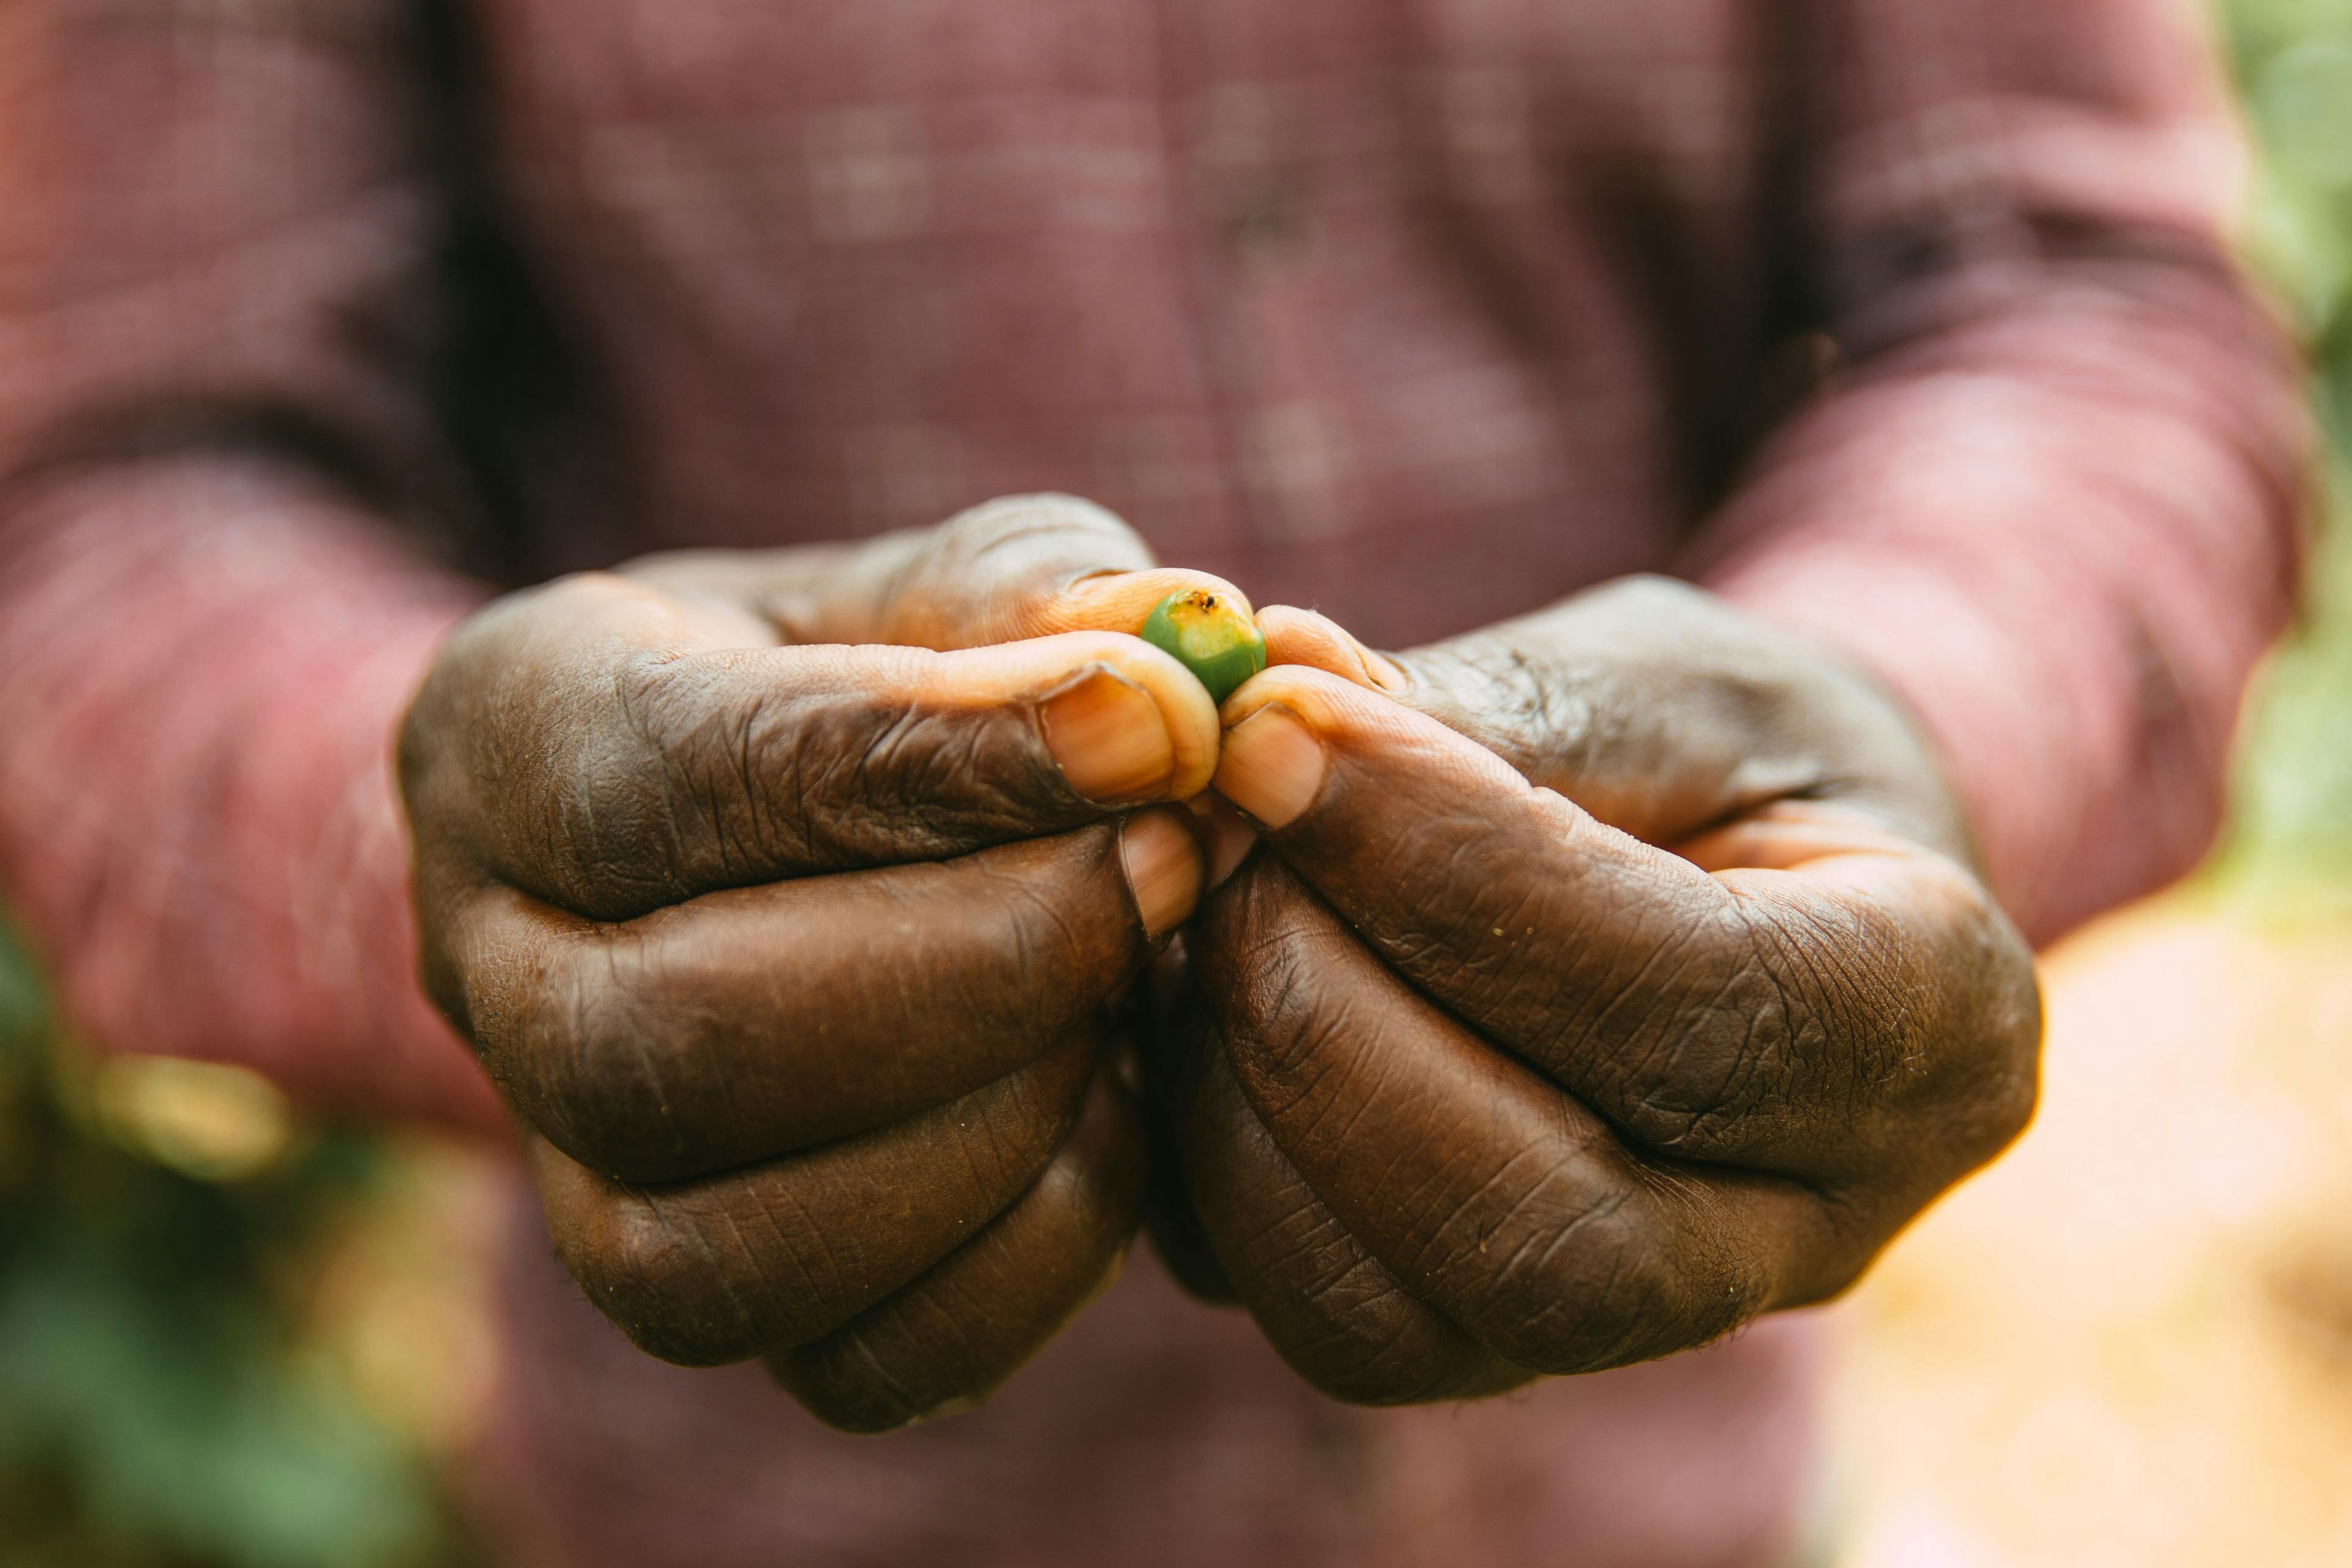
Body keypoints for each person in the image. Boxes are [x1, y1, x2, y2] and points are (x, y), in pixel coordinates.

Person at [0, 0, 2308, 1562]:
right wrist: (452, 836)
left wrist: (1895, 708)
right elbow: (113, 509)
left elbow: (2075, 295)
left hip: (1658, 1485)